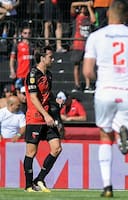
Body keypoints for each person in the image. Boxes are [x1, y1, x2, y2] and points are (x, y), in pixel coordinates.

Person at [82, 0, 128, 197]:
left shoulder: (96, 36)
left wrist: (101, 79)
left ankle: (107, 187)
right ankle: (125, 134)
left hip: (105, 90)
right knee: (125, 144)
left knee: (105, 136)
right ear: (126, 16)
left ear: (109, 14)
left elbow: (87, 70)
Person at [23, 46, 62, 192]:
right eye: (50, 57)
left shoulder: (49, 75)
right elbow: (33, 97)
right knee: (31, 153)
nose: (52, 59)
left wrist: (55, 100)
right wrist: (45, 115)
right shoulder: (33, 75)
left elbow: (46, 94)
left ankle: (39, 179)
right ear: (42, 58)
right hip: (35, 118)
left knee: (57, 148)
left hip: (47, 118)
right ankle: (28, 186)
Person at [70, 0, 96, 93]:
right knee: (77, 65)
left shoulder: (88, 17)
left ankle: (88, 85)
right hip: (78, 44)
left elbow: (94, 20)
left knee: (86, 65)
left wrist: (89, 7)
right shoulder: (76, 17)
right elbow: (73, 5)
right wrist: (85, 4)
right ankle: (77, 85)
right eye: (83, 7)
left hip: (87, 45)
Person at [9, 25, 35, 89]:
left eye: (29, 33)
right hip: (20, 74)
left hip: (30, 75)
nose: (27, 35)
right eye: (25, 33)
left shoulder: (33, 46)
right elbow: (12, 59)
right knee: (19, 92)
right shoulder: (17, 45)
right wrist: (12, 71)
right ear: (22, 34)